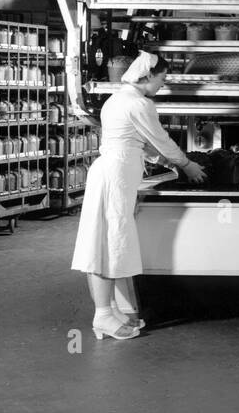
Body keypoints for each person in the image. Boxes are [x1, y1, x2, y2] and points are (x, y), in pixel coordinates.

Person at [71, 51, 207, 341]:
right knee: (107, 245)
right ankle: (103, 316)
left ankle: (112, 312)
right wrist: (186, 164)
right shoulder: (139, 104)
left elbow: (139, 144)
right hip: (115, 178)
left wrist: (166, 163)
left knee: (109, 241)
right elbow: (161, 140)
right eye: (162, 79)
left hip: (112, 174)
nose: (162, 85)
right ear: (146, 76)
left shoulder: (117, 100)